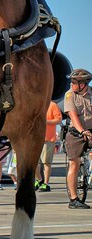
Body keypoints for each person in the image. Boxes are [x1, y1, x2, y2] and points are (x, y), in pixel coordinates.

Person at [64, 68, 92, 209]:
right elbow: (73, 117)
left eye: (74, 82)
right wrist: (83, 131)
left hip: (91, 131)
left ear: (83, 84)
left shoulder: (91, 94)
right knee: (74, 164)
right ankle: (74, 199)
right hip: (76, 132)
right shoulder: (69, 95)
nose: (71, 84)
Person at [35, 100, 62, 192]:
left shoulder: (52, 105)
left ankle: (46, 183)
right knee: (34, 163)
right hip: (35, 139)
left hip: (48, 139)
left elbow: (58, 119)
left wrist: (46, 121)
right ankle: (39, 180)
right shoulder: (36, 104)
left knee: (46, 162)